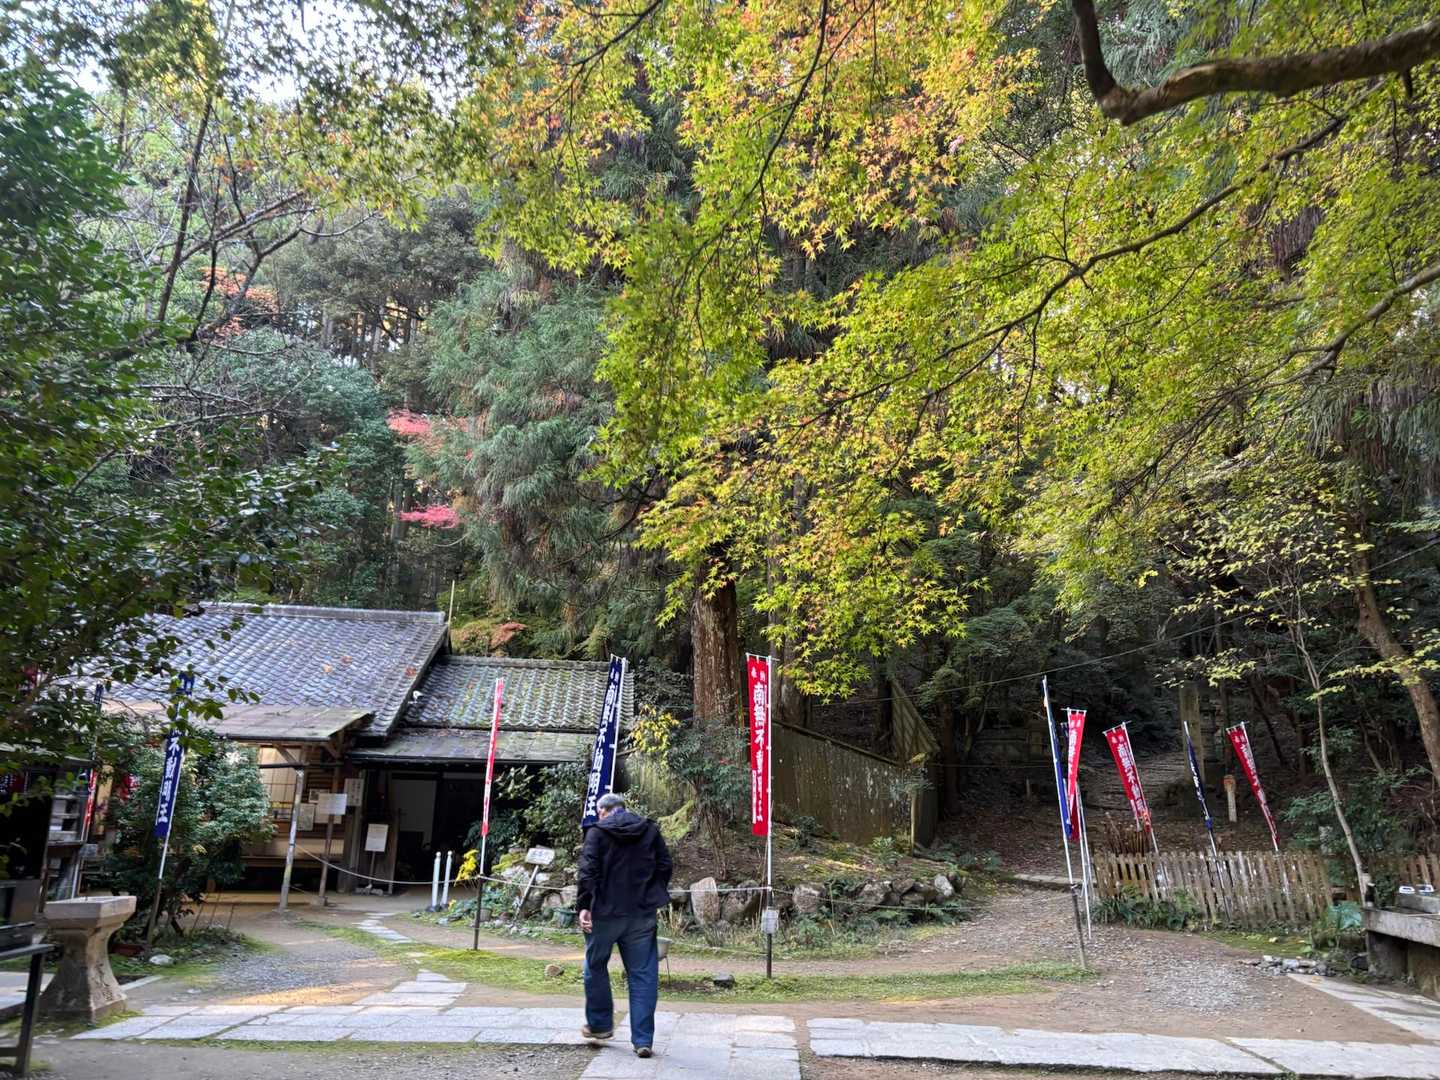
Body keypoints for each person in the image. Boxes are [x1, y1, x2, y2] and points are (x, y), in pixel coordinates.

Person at [576, 791, 673, 1058]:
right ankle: (643, 1040)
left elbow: (587, 872)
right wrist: (652, 893)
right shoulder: (649, 830)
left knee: (595, 965)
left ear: (603, 811)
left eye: (599, 813)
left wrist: (585, 905)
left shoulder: (597, 832)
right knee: (643, 975)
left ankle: (600, 1025)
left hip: (604, 914)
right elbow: (665, 865)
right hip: (641, 914)